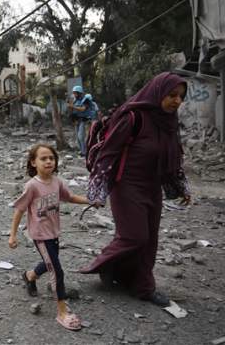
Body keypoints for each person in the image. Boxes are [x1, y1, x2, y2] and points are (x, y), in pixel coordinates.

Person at [81, 72, 191, 307]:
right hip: (126, 186)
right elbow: (108, 153)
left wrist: (181, 186)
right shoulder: (133, 117)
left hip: (152, 187)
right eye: (172, 95)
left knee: (150, 240)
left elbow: (174, 156)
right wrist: (99, 190)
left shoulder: (169, 123)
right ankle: (106, 266)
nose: (177, 101)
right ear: (158, 92)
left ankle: (143, 287)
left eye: (180, 97)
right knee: (134, 236)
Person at [8, 144, 92, 331]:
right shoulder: (32, 186)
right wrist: (12, 235)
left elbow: (69, 197)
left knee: (50, 263)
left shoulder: (57, 182)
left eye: (51, 158)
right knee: (57, 270)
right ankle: (62, 312)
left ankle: (30, 276)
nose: (48, 161)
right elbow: (19, 210)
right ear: (33, 162)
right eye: (43, 158)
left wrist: (90, 201)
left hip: (54, 232)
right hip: (40, 235)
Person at [68, 86, 94, 157]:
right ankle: (81, 151)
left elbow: (83, 109)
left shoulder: (86, 100)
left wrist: (73, 106)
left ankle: (84, 152)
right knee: (77, 138)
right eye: (74, 93)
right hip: (77, 120)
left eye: (76, 93)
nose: (74, 95)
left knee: (81, 136)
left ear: (79, 93)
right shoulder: (74, 100)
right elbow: (72, 110)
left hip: (84, 120)